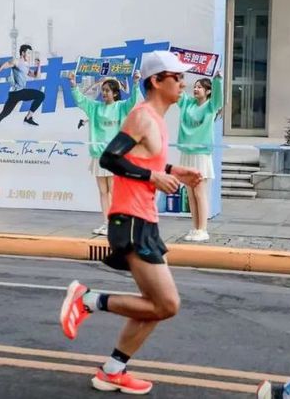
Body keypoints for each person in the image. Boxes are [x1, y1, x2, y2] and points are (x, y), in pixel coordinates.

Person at [59, 50, 203, 395]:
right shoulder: (142, 116)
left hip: (144, 219)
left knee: (154, 306)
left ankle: (112, 371)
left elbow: (142, 160)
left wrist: (173, 170)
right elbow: (110, 158)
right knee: (167, 304)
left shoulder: (156, 120)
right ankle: (88, 299)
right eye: (177, 77)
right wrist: (153, 177)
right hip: (131, 219)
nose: (183, 83)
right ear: (157, 81)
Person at [69, 71, 141, 236]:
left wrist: (136, 83)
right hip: (98, 156)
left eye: (107, 90)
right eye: (103, 90)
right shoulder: (95, 107)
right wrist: (73, 84)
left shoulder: (121, 107)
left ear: (115, 93)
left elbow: (134, 101)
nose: (104, 93)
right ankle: (107, 223)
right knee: (103, 192)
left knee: (115, 192)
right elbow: (80, 100)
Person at [177, 71, 223, 242]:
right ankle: (195, 228)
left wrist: (217, 80)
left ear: (208, 91)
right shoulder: (187, 103)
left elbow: (218, 97)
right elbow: (178, 92)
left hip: (201, 154)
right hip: (186, 153)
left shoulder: (211, 106)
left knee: (199, 192)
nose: (195, 89)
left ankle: (203, 229)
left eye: (200, 87)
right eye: (195, 87)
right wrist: (176, 75)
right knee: (190, 193)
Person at [0, 44, 44, 140]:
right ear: (23, 53)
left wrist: (39, 65)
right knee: (41, 95)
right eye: (28, 53)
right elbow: (2, 66)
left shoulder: (25, 66)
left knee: (4, 113)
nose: (29, 55)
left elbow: (36, 76)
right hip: (19, 92)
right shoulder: (16, 61)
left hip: (14, 94)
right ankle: (28, 118)